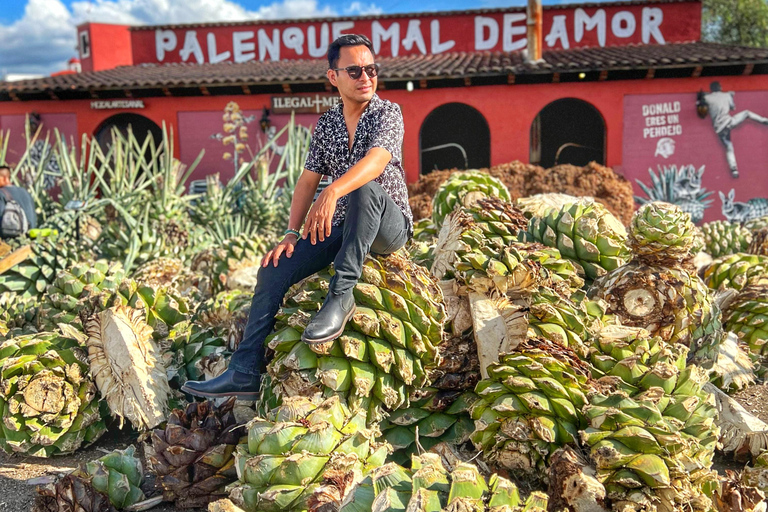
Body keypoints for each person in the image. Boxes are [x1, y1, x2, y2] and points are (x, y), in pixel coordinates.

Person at [182, 34, 413, 399]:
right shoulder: (326, 124)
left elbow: (376, 162)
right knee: (274, 267)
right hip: (341, 226)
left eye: (371, 69)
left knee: (364, 188)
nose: (365, 77)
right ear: (333, 77)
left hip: (387, 224)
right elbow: (307, 182)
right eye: (354, 70)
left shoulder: (387, 113)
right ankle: (244, 370)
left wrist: (335, 189)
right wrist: (291, 233)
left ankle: (341, 295)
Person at [702, 81, 768, 178]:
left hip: (719, 128)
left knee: (728, 147)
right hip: (729, 122)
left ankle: (734, 170)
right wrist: (730, 96)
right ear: (720, 87)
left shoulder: (707, 98)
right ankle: (764, 120)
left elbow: (703, 105)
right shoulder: (726, 95)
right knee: (746, 113)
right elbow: (733, 108)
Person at [0, 164, 37, 238]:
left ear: (4, 178)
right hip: (29, 237)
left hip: (11, 239)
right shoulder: (25, 192)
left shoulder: (1, 194)